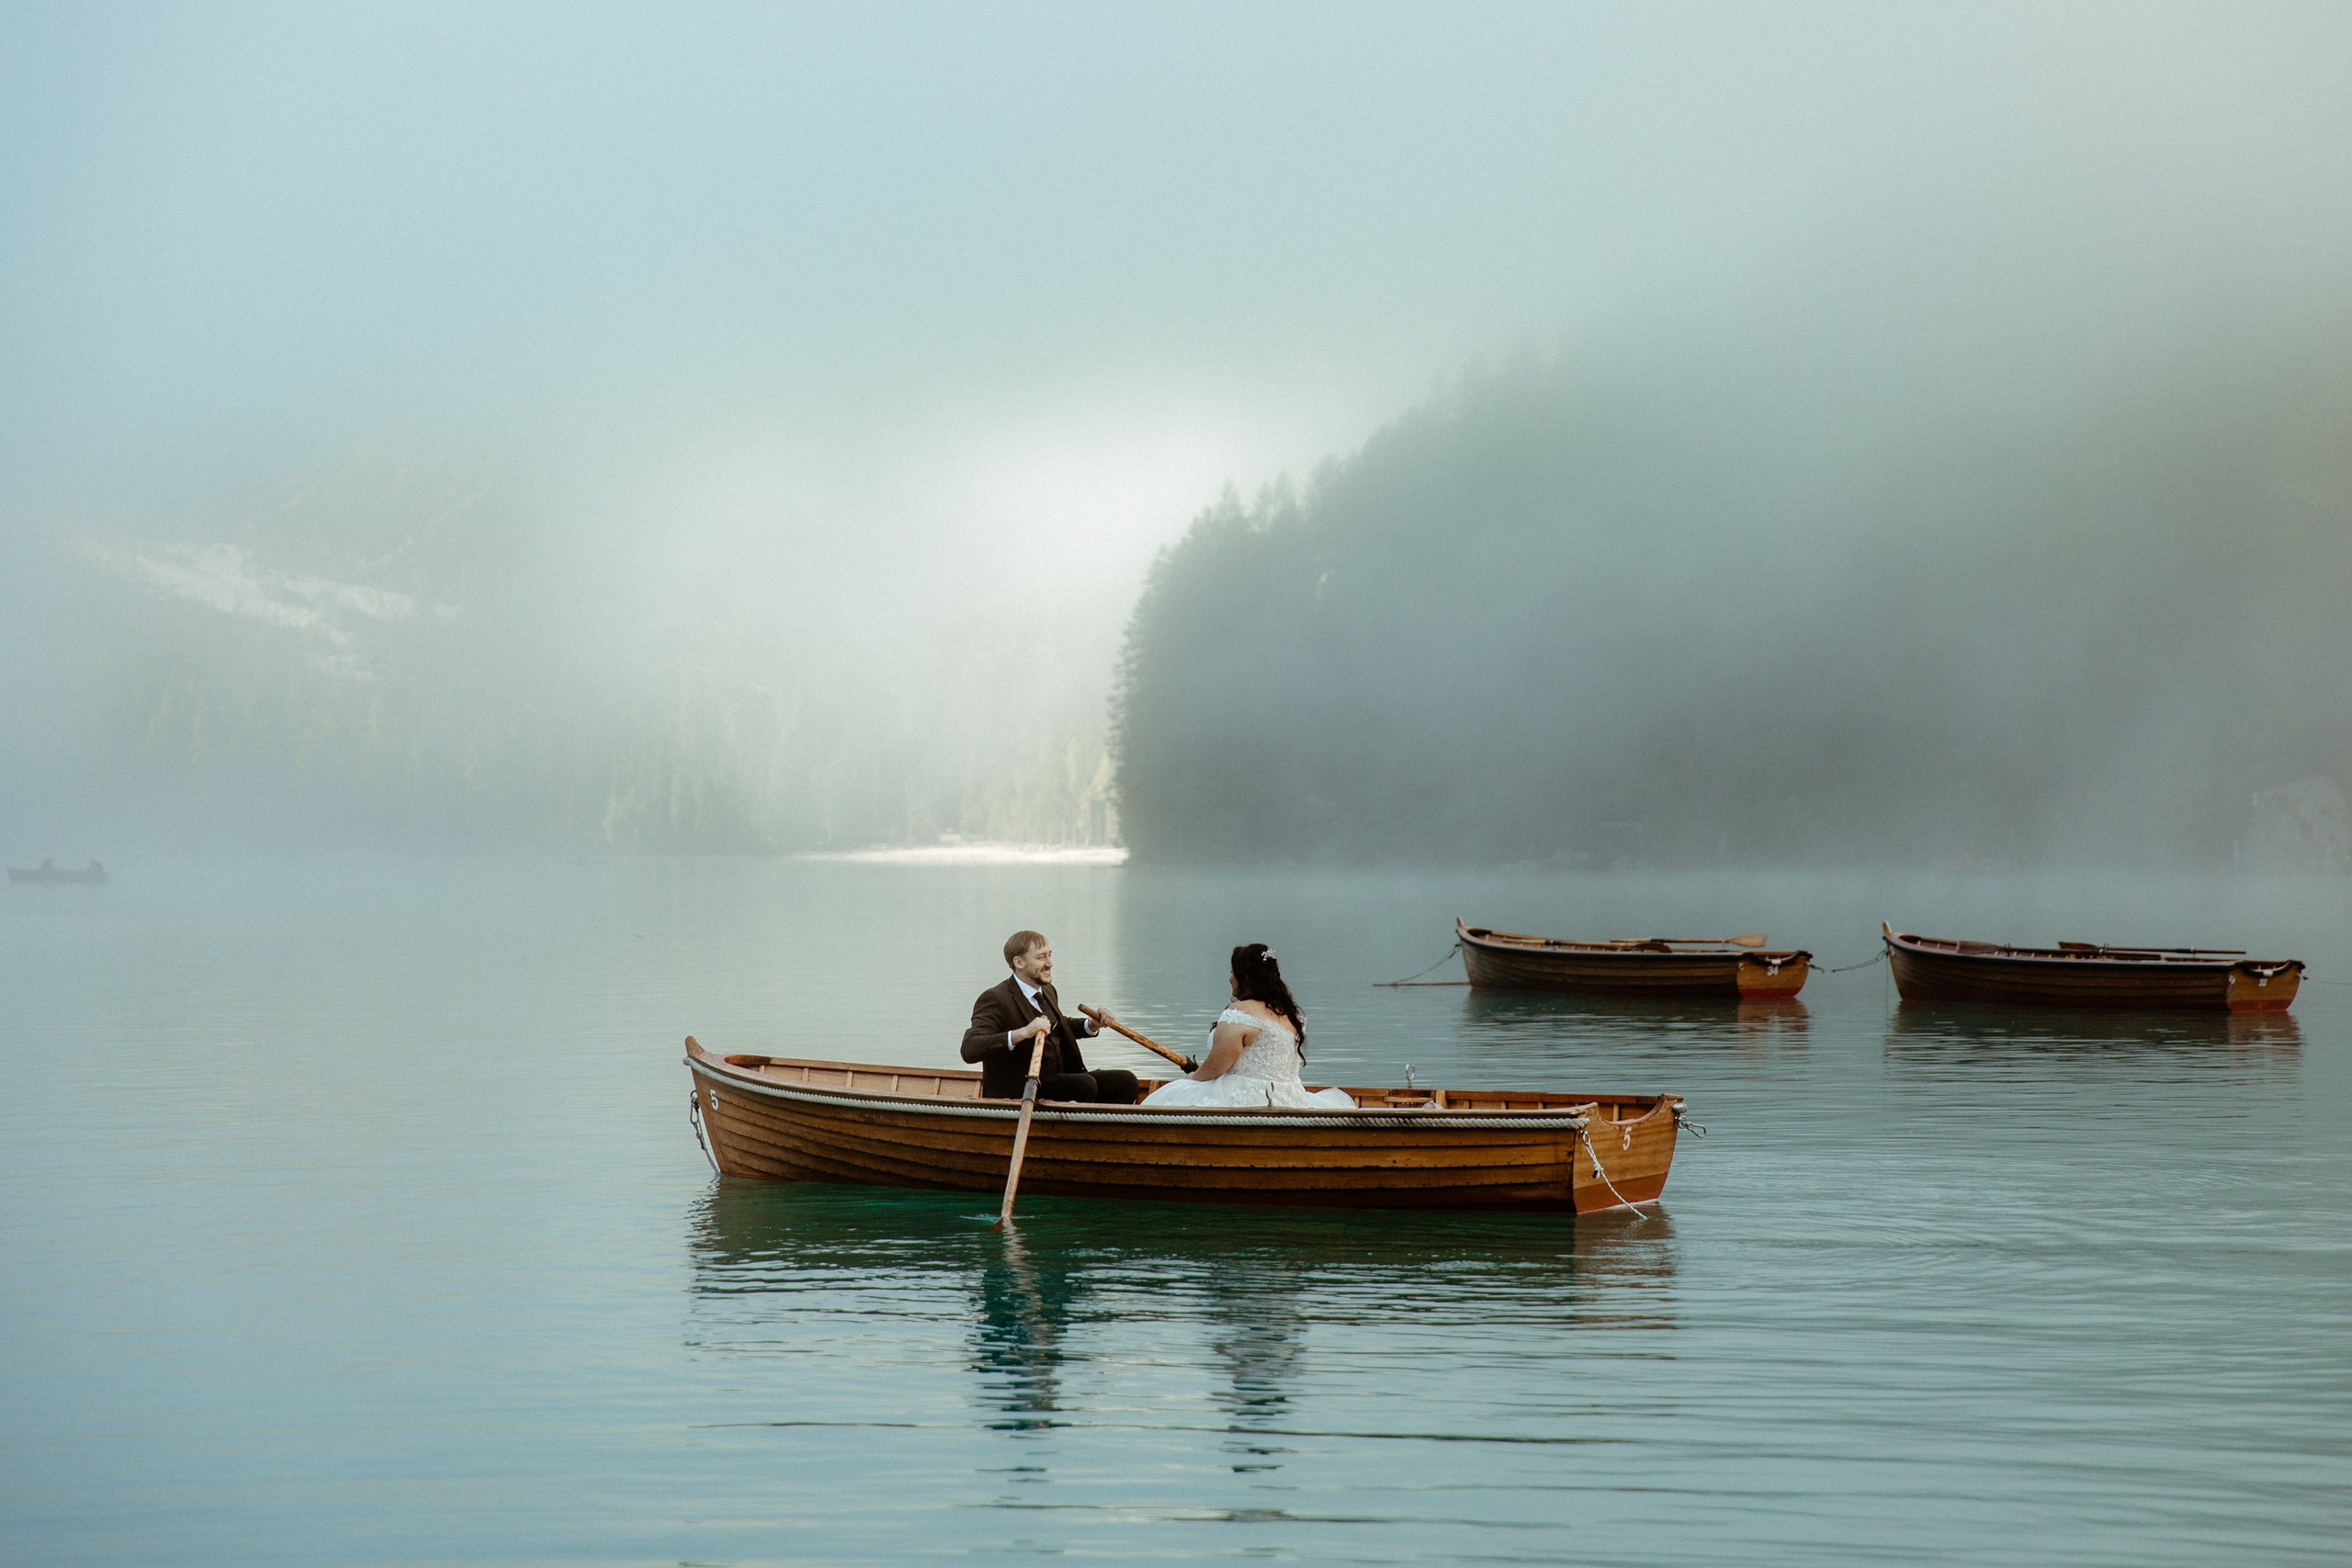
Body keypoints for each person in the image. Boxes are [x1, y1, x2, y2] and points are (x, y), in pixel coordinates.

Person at [1142, 943, 1356, 1110]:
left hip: (1248, 1098)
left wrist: (1193, 1077)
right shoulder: (1291, 1016)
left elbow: (1216, 1066)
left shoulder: (1240, 1013)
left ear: (1244, 977)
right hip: (1291, 1098)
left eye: (1232, 972)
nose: (1230, 978)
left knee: (1171, 1095)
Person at [961, 930, 1140, 1104]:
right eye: (1041, 957)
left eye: (1049, 955)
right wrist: (1023, 1033)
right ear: (1019, 962)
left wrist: (1091, 1025)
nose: (1050, 963)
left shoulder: (1047, 990)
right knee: (1084, 1085)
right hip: (1022, 1089)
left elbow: (1057, 1025)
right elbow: (970, 1048)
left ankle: (1104, 1125)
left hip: (1057, 1081)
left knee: (1125, 1081)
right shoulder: (995, 998)